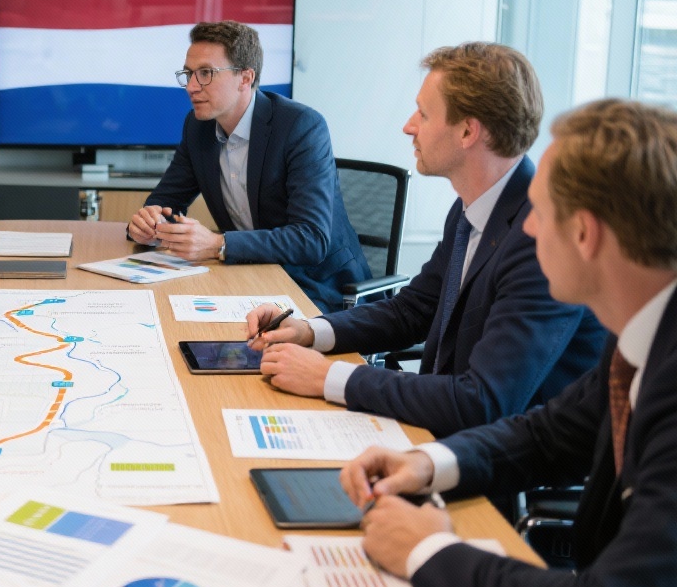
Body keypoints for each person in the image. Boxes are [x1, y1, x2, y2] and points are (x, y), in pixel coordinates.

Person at [340, 99, 677, 587]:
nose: (529, 229)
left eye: (541, 211)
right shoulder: (641, 332)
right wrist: (429, 462)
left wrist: (426, 551)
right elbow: (549, 436)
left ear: (585, 234)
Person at [247, 43, 604, 437]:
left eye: (424, 113)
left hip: (496, 464)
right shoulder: (473, 209)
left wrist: (331, 378)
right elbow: (414, 310)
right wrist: (311, 331)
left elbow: (481, 402)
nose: (409, 125)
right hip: (440, 431)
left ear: (468, 130)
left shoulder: (540, 239)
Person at [127, 20, 368, 313]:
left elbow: (310, 239)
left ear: (245, 78)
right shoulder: (197, 127)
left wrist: (219, 244)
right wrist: (149, 224)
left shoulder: (300, 127)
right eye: (189, 74)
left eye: (205, 74)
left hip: (316, 287)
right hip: (246, 278)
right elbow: (165, 202)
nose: (191, 86)